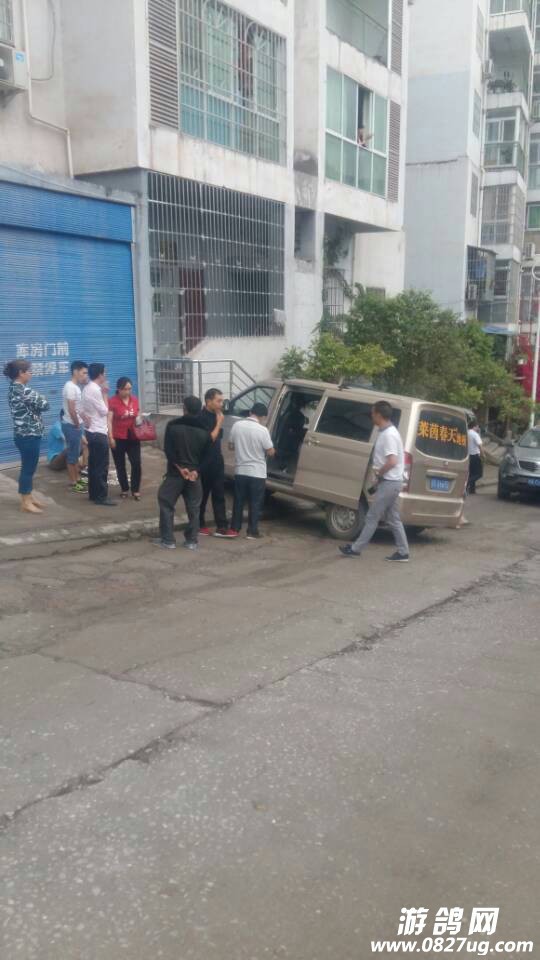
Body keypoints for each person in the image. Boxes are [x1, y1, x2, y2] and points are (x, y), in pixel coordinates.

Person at [339, 400, 410, 562]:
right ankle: (403, 552)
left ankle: (356, 549)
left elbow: (392, 461)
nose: (371, 416)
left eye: (372, 413)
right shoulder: (388, 432)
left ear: (378, 415)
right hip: (391, 482)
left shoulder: (389, 435)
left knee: (372, 517)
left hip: (390, 482)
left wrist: (379, 474)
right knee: (393, 519)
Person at [153, 395, 211, 551]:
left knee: (166, 501)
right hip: (194, 476)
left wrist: (180, 468)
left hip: (176, 473)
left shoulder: (173, 426)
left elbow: (169, 450)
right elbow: (208, 457)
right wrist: (196, 471)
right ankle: (191, 540)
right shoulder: (205, 430)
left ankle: (168, 539)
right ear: (200, 410)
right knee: (194, 508)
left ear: (184, 409)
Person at [3, 358, 49, 514]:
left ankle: (29, 497)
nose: (31, 374)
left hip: (23, 435)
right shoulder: (23, 390)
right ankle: (25, 502)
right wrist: (41, 399)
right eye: (29, 371)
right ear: (21, 373)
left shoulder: (13, 388)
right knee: (28, 469)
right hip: (29, 435)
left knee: (28, 467)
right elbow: (45, 405)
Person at [229, 402, 275, 539]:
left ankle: (234, 529)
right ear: (263, 417)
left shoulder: (237, 425)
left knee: (238, 501)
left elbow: (231, 446)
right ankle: (252, 532)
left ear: (250, 412)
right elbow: (270, 451)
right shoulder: (263, 430)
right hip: (257, 472)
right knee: (255, 502)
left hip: (240, 471)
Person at [198, 387, 235, 538]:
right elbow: (209, 439)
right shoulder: (201, 417)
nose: (221, 404)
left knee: (219, 493)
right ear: (208, 401)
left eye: (222, 401)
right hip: (204, 461)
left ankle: (222, 526)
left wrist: (219, 421)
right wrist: (219, 423)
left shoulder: (218, 415)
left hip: (217, 460)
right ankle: (199, 524)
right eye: (218, 401)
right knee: (202, 495)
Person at [80, 362, 116, 507]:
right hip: (98, 432)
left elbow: (81, 409)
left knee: (94, 464)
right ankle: (101, 496)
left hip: (91, 431)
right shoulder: (95, 390)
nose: (105, 375)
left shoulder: (87, 388)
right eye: (104, 372)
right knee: (101, 466)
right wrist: (105, 393)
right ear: (100, 374)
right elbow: (104, 411)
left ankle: (93, 494)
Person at [108, 377, 142, 501]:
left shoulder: (134, 400)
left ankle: (135, 489)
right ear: (119, 389)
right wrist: (110, 437)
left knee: (136, 463)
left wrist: (139, 419)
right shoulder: (112, 401)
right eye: (125, 389)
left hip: (133, 437)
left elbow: (138, 413)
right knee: (120, 465)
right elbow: (109, 421)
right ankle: (124, 489)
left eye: (130, 389)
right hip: (118, 437)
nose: (128, 392)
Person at [62, 360, 88, 492]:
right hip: (72, 425)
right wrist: (77, 424)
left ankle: (77, 478)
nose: (85, 376)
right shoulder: (70, 387)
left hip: (75, 425)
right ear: (75, 372)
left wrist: (84, 420)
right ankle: (73, 482)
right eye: (84, 373)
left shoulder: (75, 387)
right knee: (72, 455)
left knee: (76, 453)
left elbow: (77, 408)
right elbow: (72, 409)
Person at [47, 412, 89, 478]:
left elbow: (85, 442)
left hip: (64, 460)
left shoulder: (70, 426)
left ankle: (84, 467)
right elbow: (67, 440)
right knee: (74, 446)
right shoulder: (57, 427)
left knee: (85, 445)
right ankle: (79, 471)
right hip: (54, 461)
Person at [467, 419, 483, 494]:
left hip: (468, 456)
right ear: (474, 426)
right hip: (475, 456)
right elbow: (480, 445)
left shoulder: (467, 433)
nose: (478, 428)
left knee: (471, 473)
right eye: (477, 427)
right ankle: (467, 483)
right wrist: (483, 454)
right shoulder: (475, 434)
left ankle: (472, 490)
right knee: (479, 474)